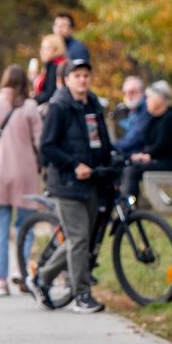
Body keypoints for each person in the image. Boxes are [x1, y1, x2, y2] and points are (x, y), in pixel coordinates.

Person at [27, 58, 113, 314]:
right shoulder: (59, 107)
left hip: (93, 182)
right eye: (77, 75)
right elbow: (48, 148)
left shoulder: (93, 104)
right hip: (67, 184)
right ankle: (82, 295)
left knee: (79, 240)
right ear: (66, 80)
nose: (83, 79)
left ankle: (41, 278)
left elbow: (103, 141)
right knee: (77, 238)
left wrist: (111, 167)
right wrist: (74, 165)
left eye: (86, 75)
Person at [0, 65, 43, 297]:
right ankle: (20, 269)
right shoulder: (30, 107)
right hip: (24, 172)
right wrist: (42, 166)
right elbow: (40, 141)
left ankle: (0, 282)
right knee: (26, 226)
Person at [120, 80, 172, 200]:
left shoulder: (171, 118)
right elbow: (145, 140)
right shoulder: (154, 119)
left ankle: (128, 205)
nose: (146, 101)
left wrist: (148, 155)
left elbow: (163, 145)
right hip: (162, 161)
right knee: (125, 164)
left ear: (160, 99)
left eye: (149, 97)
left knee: (133, 170)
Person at [113, 76, 150, 156]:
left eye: (132, 92)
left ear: (142, 92)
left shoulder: (147, 109)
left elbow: (134, 139)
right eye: (125, 93)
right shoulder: (131, 110)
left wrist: (111, 146)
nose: (129, 96)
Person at [31, 34, 67, 107]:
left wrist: (32, 99)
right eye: (42, 48)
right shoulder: (52, 65)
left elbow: (49, 93)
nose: (43, 51)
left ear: (57, 49)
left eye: (47, 48)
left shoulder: (55, 66)